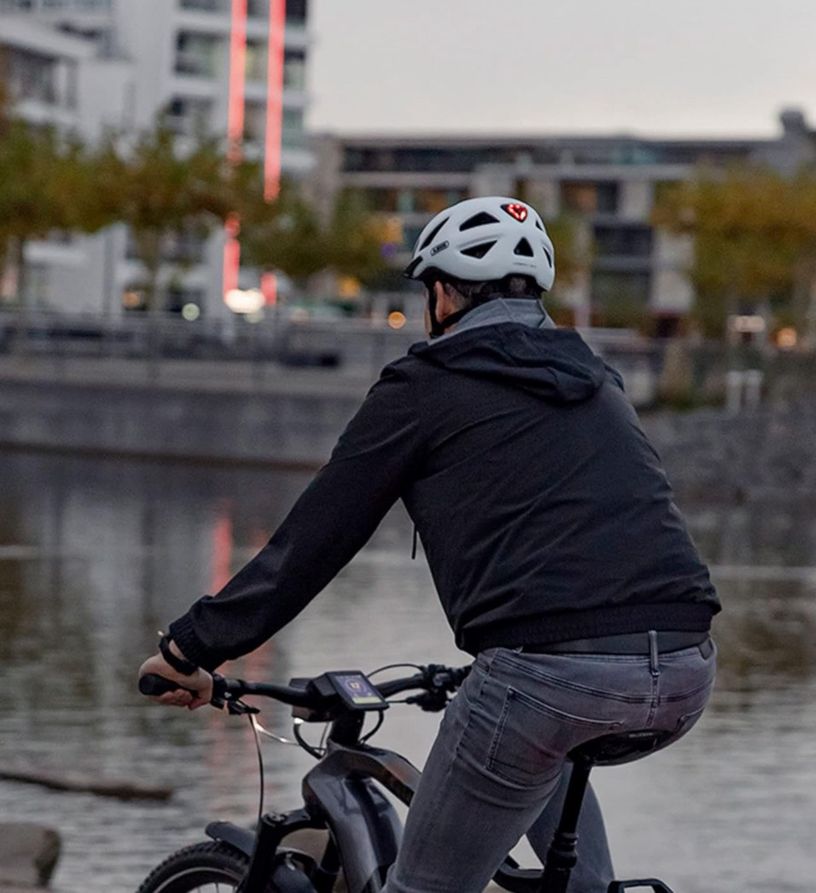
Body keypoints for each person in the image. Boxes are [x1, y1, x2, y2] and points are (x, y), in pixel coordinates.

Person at [139, 196, 721, 893]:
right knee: (555, 765)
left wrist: (189, 648)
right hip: (686, 667)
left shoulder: (424, 386)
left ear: (443, 292)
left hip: (553, 676)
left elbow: (314, 539)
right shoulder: (598, 381)